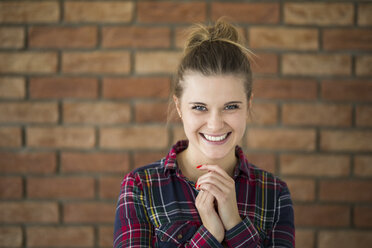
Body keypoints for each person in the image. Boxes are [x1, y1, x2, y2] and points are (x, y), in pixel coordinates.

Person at [114, 19, 295, 247]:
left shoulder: (274, 194)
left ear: (248, 105)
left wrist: (234, 222)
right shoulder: (140, 187)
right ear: (179, 107)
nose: (215, 124)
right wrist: (209, 234)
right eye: (199, 107)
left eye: (231, 107)